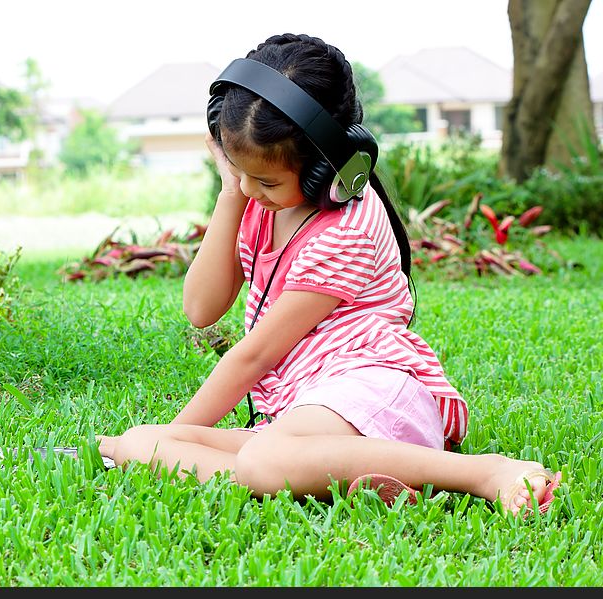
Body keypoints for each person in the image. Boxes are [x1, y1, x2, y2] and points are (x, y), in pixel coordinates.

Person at [97, 34, 560, 516]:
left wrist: (175, 439)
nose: (253, 189)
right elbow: (202, 307)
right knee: (136, 443)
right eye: (240, 170)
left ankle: (488, 471)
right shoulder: (258, 202)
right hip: (306, 415)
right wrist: (229, 192)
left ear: (325, 169)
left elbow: (253, 357)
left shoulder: (348, 226)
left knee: (244, 456)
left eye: (267, 180)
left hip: (372, 392)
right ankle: (341, 476)